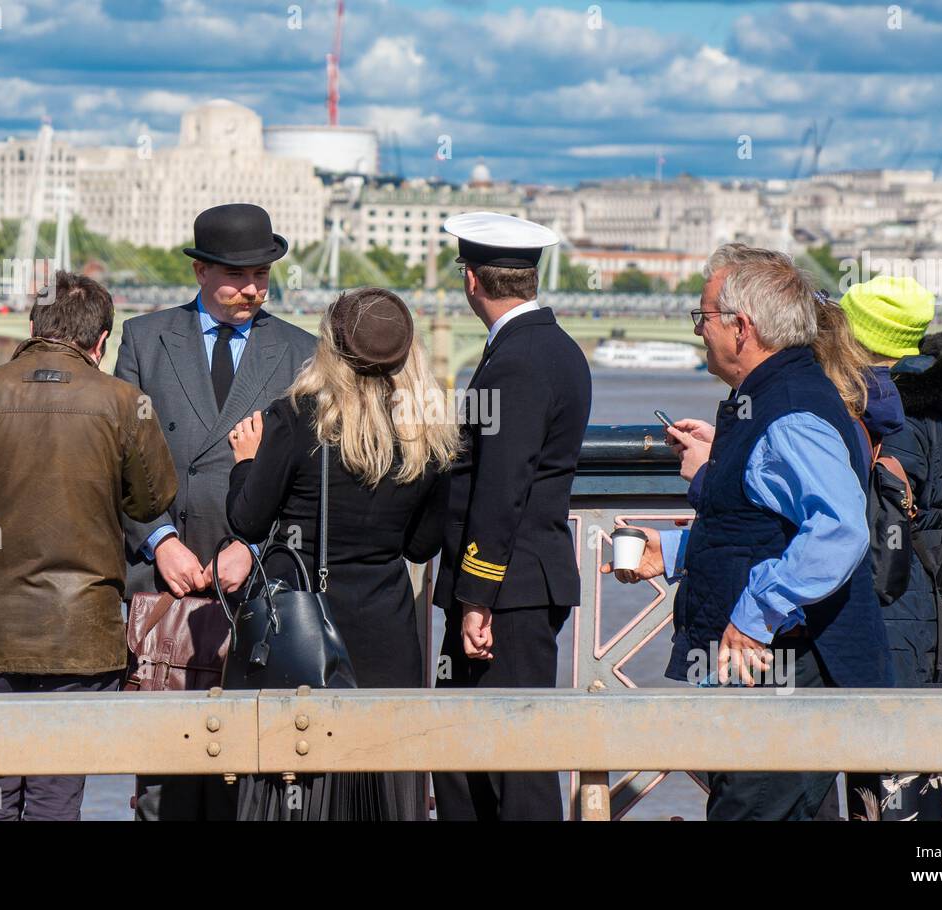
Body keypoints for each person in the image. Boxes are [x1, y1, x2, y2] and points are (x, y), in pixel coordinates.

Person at [603, 243, 893, 821]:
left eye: (703, 318)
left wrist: (755, 611)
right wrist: (677, 550)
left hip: (791, 663)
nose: (698, 331)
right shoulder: (764, 399)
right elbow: (765, 525)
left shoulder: (788, 410)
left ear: (742, 327)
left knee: (753, 810)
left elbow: (838, 530)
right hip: (775, 666)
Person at [0, 271, 177, 821]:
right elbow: (152, 500)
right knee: (57, 799)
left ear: (32, 325)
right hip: (82, 635)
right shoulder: (124, 402)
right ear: (101, 342)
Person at [114, 203, 316, 820]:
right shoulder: (145, 339)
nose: (252, 289)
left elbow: (307, 473)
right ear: (200, 271)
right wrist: (159, 541)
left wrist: (251, 544)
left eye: (262, 274)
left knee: (252, 763)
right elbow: (120, 459)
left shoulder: (300, 350)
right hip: (166, 585)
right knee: (163, 773)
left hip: (257, 585)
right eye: (236, 275)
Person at [223, 287, 456, 820]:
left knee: (298, 781)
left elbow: (247, 521)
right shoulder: (429, 432)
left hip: (300, 626)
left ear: (328, 346)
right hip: (386, 631)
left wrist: (245, 462)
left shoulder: (297, 418)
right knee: (379, 783)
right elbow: (420, 545)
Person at [431, 212, 592, 821]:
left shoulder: (518, 360)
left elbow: (502, 487)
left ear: (472, 281)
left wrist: (476, 596)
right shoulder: (551, 348)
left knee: (510, 762)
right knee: (475, 753)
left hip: (508, 591)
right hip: (519, 583)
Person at [838, 275, 942, 821]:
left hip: (891, 615)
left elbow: (879, 542)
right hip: (940, 611)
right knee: (924, 779)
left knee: (882, 776)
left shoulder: (888, 415)